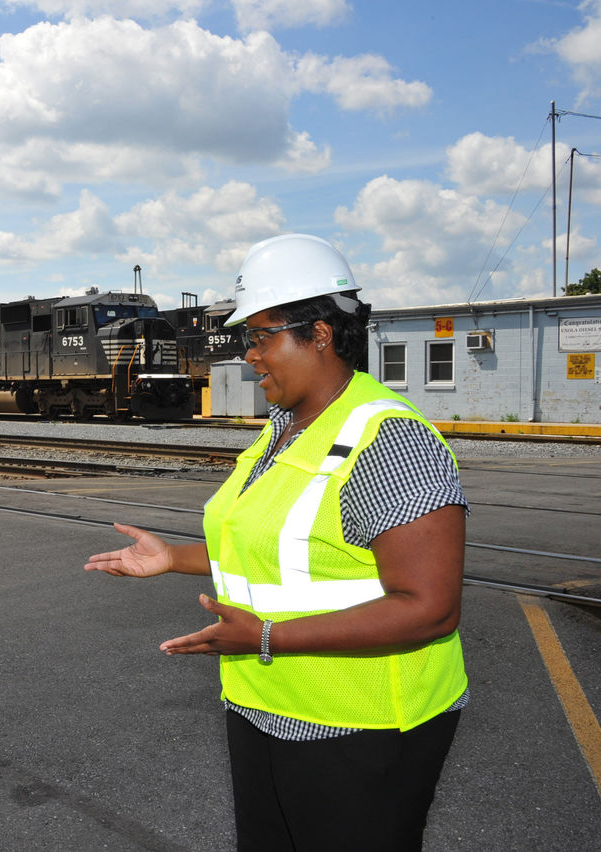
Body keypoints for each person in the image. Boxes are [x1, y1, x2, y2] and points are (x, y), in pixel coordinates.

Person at [86, 234, 468, 851]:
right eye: (247, 339)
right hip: (263, 707)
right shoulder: (284, 428)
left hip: (363, 727)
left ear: (319, 333)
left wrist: (268, 637)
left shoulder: (391, 439)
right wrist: (173, 559)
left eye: (261, 336)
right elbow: (283, 546)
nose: (250, 355)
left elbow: (431, 606)